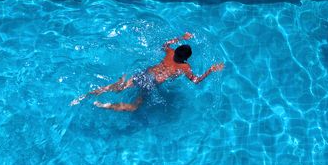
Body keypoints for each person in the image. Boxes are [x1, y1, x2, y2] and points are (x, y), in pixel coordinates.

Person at [70, 32, 224, 111]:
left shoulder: (169, 52)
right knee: (134, 107)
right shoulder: (185, 67)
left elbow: (165, 44)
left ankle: (86, 95)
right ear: (187, 58)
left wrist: (181, 37)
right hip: (152, 83)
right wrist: (210, 70)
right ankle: (102, 105)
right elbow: (196, 81)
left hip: (145, 73)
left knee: (118, 87)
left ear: (176, 51)